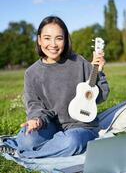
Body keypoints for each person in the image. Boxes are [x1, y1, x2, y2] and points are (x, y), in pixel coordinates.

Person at [0, 16, 109, 158]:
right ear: (39, 40)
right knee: (28, 140)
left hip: (81, 126)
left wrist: (99, 71)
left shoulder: (79, 62)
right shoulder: (31, 73)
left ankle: (22, 153)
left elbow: (101, 96)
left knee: (72, 142)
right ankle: (30, 146)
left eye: (59, 38)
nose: (53, 44)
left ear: (65, 39)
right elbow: (33, 103)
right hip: (49, 124)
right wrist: (36, 119)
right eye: (47, 38)